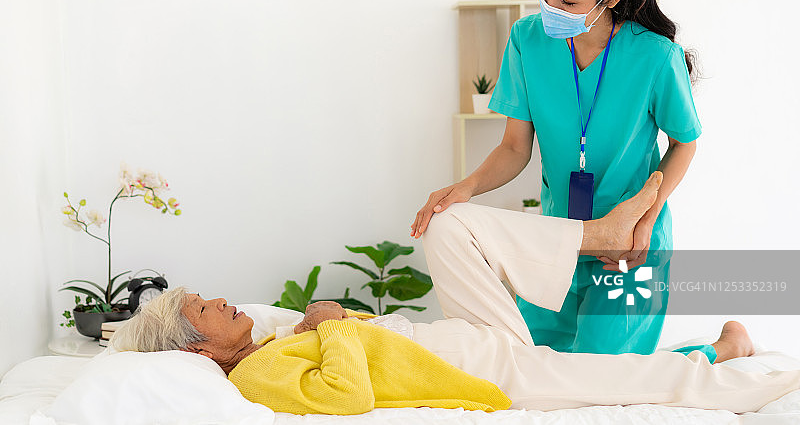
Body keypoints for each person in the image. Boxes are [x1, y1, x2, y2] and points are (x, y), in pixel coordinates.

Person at [110, 172, 800, 415]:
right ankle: (738, 364)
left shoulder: (265, 339)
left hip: (464, 335)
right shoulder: (256, 376)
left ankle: (599, 237)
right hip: (488, 371)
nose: (224, 302)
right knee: (633, 382)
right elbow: (345, 395)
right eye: (206, 309)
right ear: (197, 349)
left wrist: (320, 321)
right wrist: (327, 321)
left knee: (451, 224)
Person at [411, 0, 703, 359]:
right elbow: (514, 148)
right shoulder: (527, 40)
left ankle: (720, 350)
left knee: (602, 377)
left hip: (627, 244)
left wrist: (644, 218)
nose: (550, 5)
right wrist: (466, 187)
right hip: (556, 241)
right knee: (534, 363)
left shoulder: (655, 56)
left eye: (567, 0)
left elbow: (684, 144)